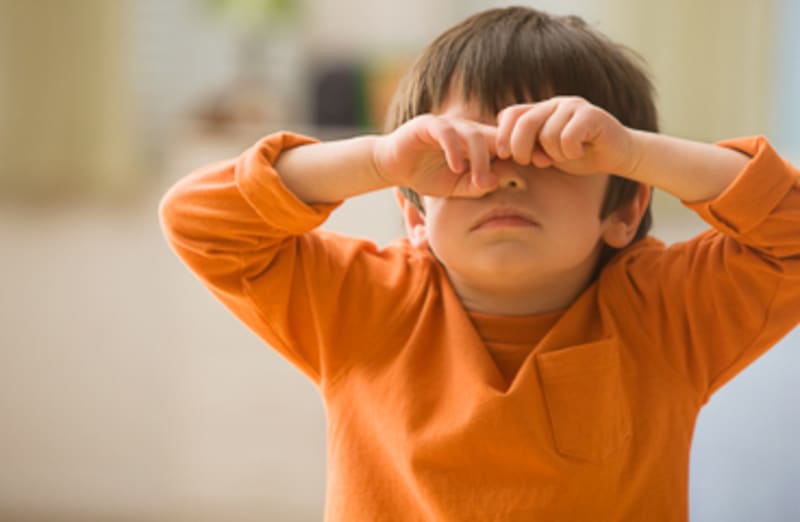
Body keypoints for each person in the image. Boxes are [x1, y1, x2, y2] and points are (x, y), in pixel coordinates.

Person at [158, 6, 800, 521]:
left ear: (625, 210)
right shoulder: (364, 304)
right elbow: (198, 221)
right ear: (415, 217)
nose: (504, 179)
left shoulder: (669, 314)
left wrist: (631, 151)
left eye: (553, 155)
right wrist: (380, 160)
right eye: (464, 156)